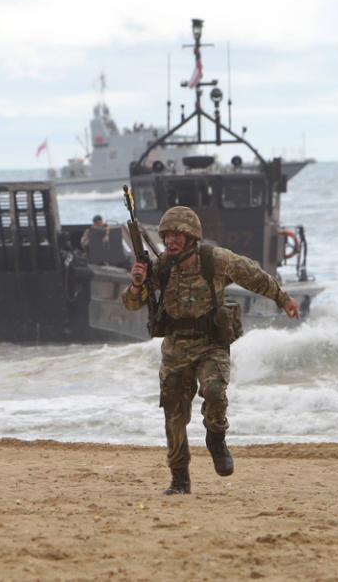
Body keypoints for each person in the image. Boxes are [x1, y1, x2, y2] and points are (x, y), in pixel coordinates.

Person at [123, 206, 300, 495]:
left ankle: (216, 437)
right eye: (167, 236)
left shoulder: (214, 260)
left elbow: (253, 275)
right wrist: (137, 284)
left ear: (191, 237)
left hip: (211, 345)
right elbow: (132, 304)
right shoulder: (161, 266)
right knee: (174, 415)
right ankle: (180, 479)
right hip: (176, 347)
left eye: (178, 235)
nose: (171, 241)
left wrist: (283, 299)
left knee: (215, 392)